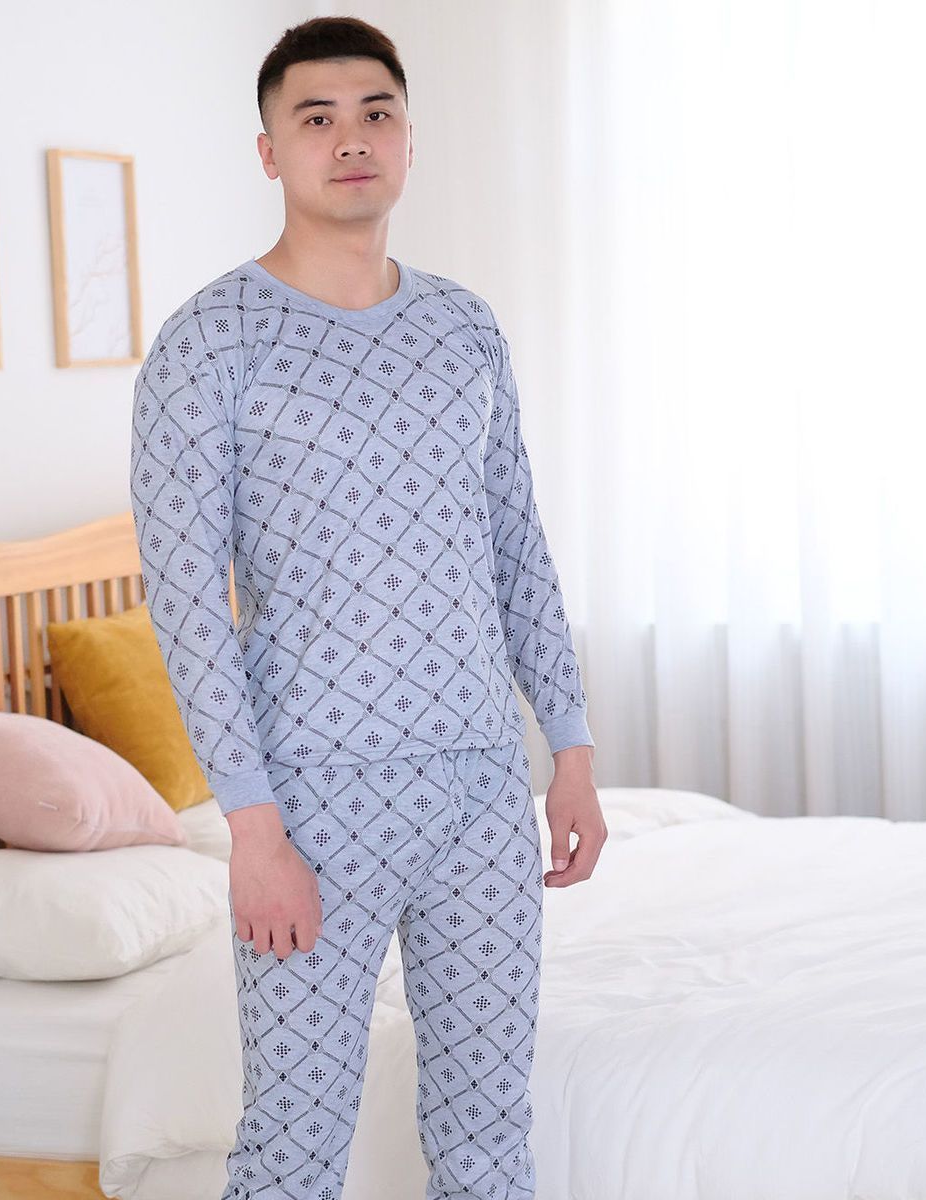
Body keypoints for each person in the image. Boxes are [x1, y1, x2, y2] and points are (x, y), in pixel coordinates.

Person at [129, 16, 607, 1199]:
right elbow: (188, 607)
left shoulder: (464, 327)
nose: (351, 140)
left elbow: (515, 546)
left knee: (488, 1139)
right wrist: (252, 831)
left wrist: (572, 751)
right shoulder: (208, 343)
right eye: (317, 118)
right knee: (293, 1150)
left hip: (480, 792)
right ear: (269, 151)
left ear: (408, 140)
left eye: (374, 114)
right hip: (308, 805)